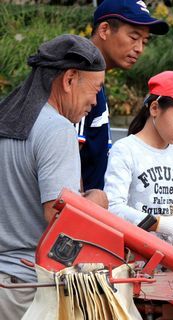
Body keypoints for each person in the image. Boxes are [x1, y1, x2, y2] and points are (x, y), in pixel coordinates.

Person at [0, 34, 108, 319]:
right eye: (95, 89)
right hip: (27, 289)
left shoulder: (5, 117)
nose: (95, 101)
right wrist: (97, 201)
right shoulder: (57, 130)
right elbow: (60, 220)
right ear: (69, 79)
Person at [104, 71, 173, 248]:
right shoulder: (125, 150)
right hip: (133, 261)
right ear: (155, 108)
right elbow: (113, 208)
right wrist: (161, 224)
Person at [76, 0, 169, 191]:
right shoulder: (79, 78)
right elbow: (66, 164)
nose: (139, 48)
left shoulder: (95, 80)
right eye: (134, 37)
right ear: (104, 30)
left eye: (144, 41)